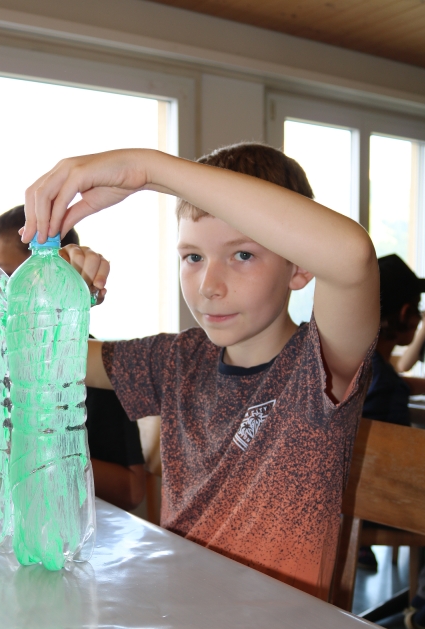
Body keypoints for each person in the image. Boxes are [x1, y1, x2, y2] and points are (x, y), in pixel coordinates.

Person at [23, 143, 379, 600]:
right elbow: (40, 355)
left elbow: (352, 256)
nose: (209, 286)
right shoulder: (179, 359)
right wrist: (59, 296)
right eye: (193, 257)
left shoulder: (317, 367)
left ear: (300, 266)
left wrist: (146, 170)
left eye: (242, 255)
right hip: (181, 612)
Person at [0, 205, 146, 511]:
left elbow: (131, 491)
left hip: (71, 520)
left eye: (5, 276)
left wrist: (41, 450)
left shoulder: (88, 363)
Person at [359, 255, 425, 573]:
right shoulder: (386, 383)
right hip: (383, 505)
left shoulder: (360, 366)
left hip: (347, 501)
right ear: (405, 313)